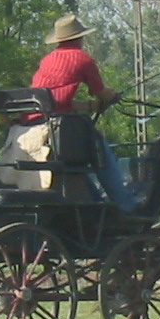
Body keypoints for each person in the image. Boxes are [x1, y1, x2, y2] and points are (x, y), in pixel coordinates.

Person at [28, 12, 137, 213]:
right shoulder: (82, 59)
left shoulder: (47, 60)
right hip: (61, 129)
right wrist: (111, 96)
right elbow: (101, 92)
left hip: (35, 123)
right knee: (99, 148)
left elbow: (56, 100)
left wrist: (89, 106)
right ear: (78, 38)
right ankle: (125, 204)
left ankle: (95, 200)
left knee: (81, 155)